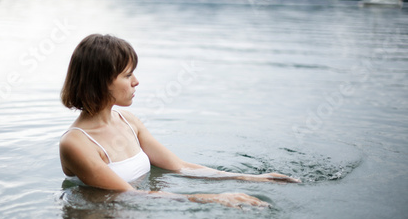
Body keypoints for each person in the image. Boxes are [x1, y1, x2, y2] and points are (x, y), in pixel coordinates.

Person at [59, 34, 300, 209]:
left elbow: (178, 166)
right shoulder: (76, 144)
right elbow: (130, 196)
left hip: (136, 216)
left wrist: (254, 178)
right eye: (128, 75)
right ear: (100, 82)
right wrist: (215, 199)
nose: (136, 82)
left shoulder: (128, 121)